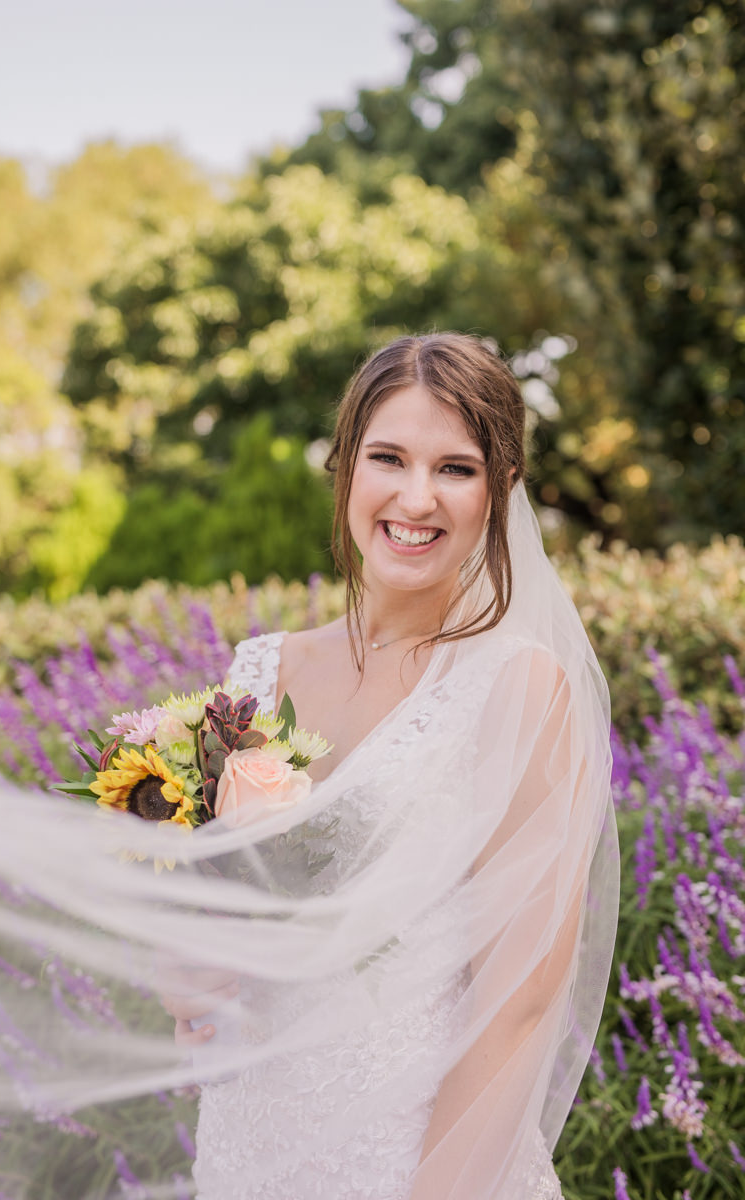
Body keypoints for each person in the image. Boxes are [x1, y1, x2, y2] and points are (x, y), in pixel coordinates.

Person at [158, 332, 620, 1199]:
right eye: (388, 458)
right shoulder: (256, 675)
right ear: (344, 471)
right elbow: (213, 931)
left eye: (456, 468)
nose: (417, 497)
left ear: (501, 492)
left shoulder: (517, 686)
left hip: (420, 1157)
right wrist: (189, 971)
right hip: (251, 1147)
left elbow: (518, 1002)